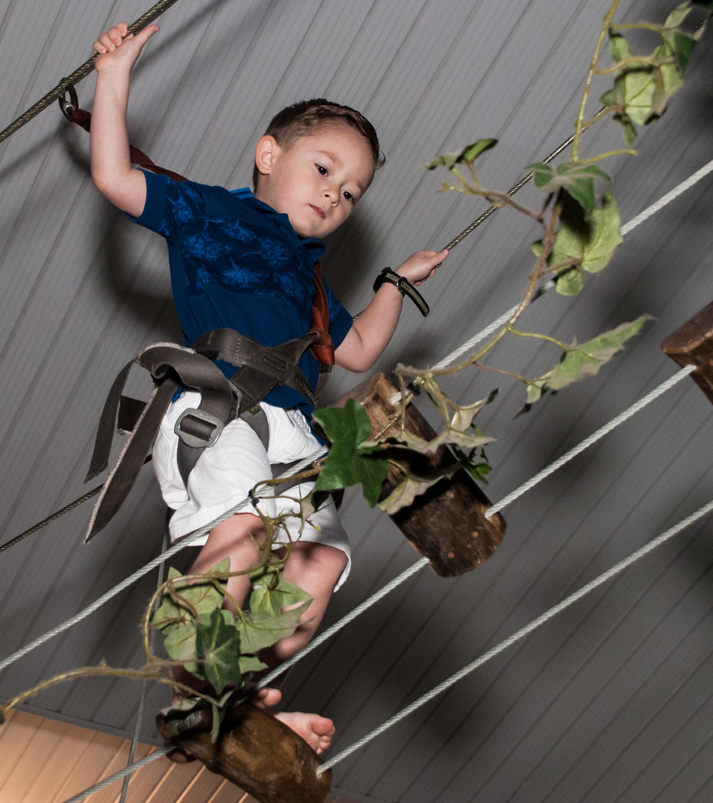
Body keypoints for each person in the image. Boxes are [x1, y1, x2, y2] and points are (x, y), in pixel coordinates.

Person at [89, 21, 447, 756]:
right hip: (223, 407)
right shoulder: (211, 215)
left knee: (318, 568)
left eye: (350, 193)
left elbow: (356, 350)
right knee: (242, 535)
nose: (336, 196)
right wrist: (115, 77)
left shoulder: (310, 280)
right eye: (324, 170)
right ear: (268, 154)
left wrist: (393, 283)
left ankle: (235, 696)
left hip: (296, 436)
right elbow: (116, 179)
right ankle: (198, 690)